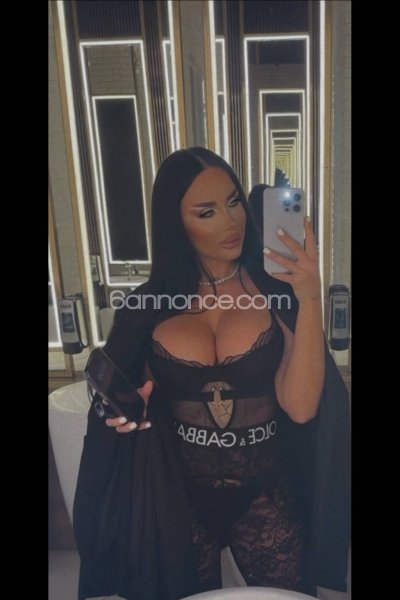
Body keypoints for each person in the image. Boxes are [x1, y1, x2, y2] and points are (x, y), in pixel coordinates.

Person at [73, 147, 350, 600]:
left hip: (267, 493)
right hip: (178, 498)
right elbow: (124, 394)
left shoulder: (277, 292)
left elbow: (301, 409)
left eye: (234, 201)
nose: (230, 221)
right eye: (207, 212)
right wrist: (123, 413)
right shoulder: (147, 306)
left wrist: (309, 296)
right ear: (175, 223)